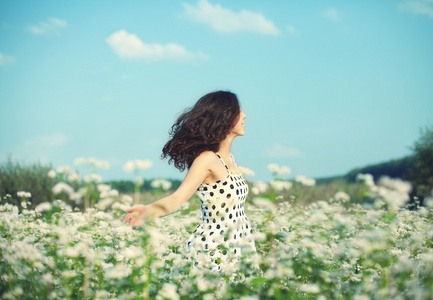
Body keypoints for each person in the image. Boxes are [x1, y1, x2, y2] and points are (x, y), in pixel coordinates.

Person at [122, 90, 256, 272]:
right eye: (238, 111)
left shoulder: (230, 158)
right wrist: (147, 211)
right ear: (223, 116)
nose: (244, 115)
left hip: (239, 245)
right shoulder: (208, 158)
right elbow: (178, 198)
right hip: (215, 249)